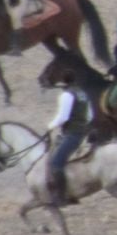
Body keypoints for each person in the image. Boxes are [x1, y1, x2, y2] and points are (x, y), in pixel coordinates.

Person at [43, 68, 93, 208]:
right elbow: (90, 115)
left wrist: (50, 126)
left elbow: (63, 117)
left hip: (72, 134)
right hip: (84, 131)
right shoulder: (82, 93)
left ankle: (62, 196)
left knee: (56, 163)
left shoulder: (66, 95)